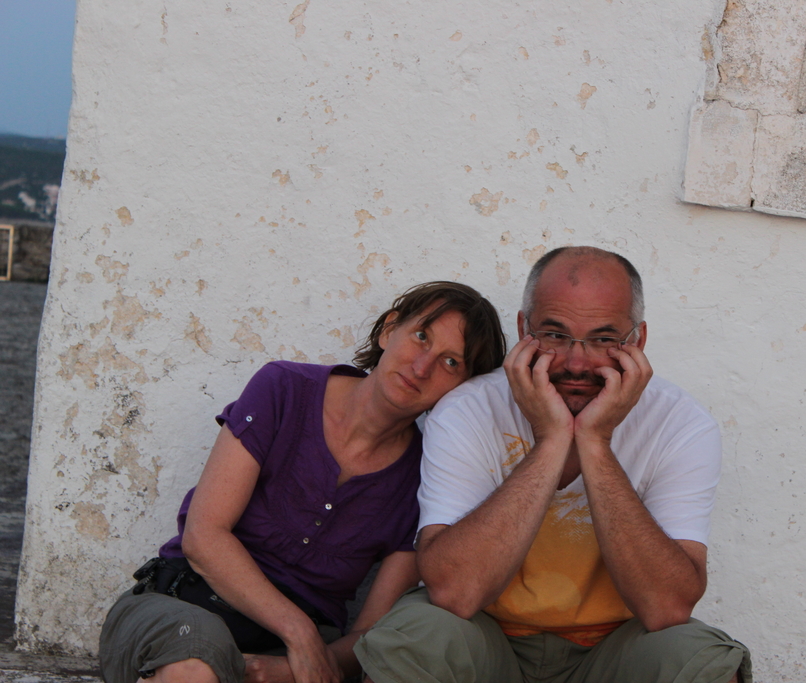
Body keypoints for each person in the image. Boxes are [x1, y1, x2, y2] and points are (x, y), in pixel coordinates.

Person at [354, 247, 751, 683]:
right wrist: (552, 441)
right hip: (484, 638)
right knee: (414, 638)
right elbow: (453, 593)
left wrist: (595, 443)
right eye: (555, 335)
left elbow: (667, 609)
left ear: (637, 341)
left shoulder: (680, 424)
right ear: (524, 330)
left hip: (614, 648)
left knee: (703, 661)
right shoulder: (469, 409)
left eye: (603, 339)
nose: (577, 363)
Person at [98, 281, 506, 683]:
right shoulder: (284, 389)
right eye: (421, 336)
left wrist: (292, 668)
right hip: (185, 606)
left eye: (451, 362)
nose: (422, 367)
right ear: (388, 330)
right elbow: (203, 538)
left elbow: (371, 634)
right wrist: (298, 632)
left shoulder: (428, 477)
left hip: (297, 659)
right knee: (194, 671)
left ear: (462, 389)